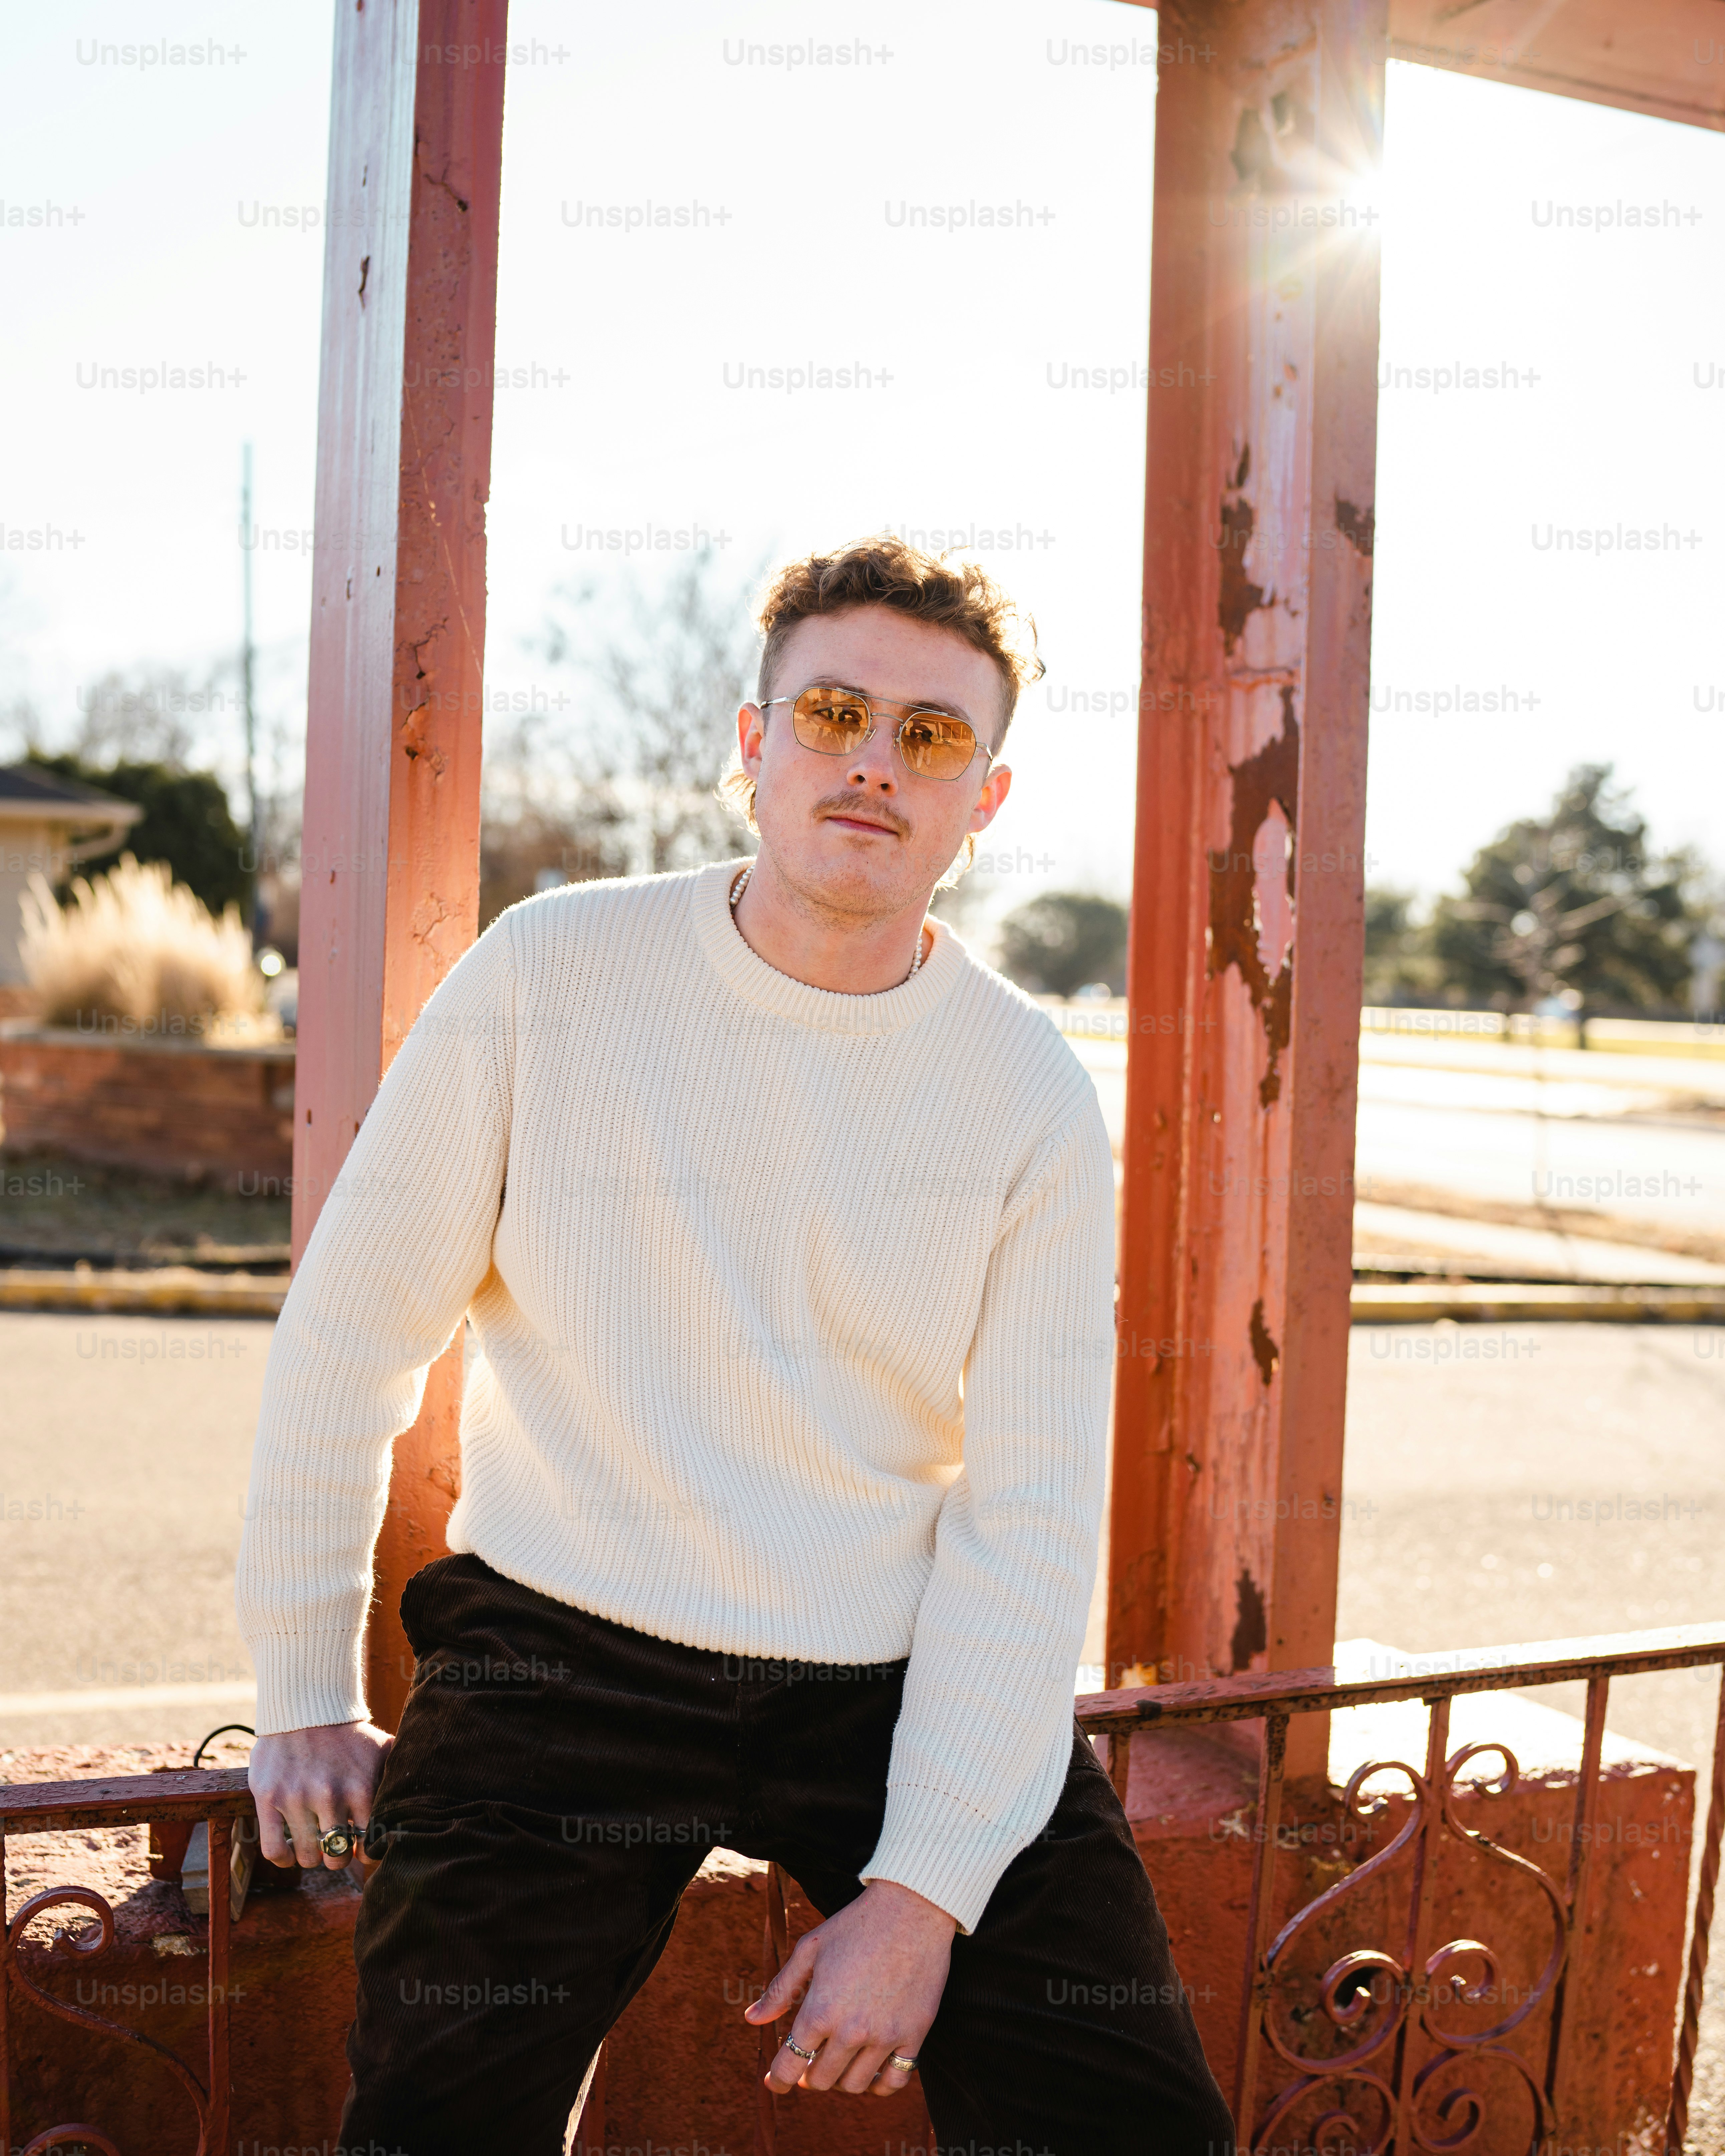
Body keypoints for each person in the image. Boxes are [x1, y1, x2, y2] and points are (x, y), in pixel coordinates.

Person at [237, 535, 1233, 2154]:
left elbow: (1031, 1504)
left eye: (928, 735)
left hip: (891, 1674)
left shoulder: (1027, 1088)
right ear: (749, 743)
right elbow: (351, 1335)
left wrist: (923, 1891)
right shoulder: (548, 973)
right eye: (831, 709)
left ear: (980, 799)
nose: (869, 761)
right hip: (558, 1654)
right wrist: (296, 1683)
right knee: (435, 2126)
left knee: (1134, 2124)